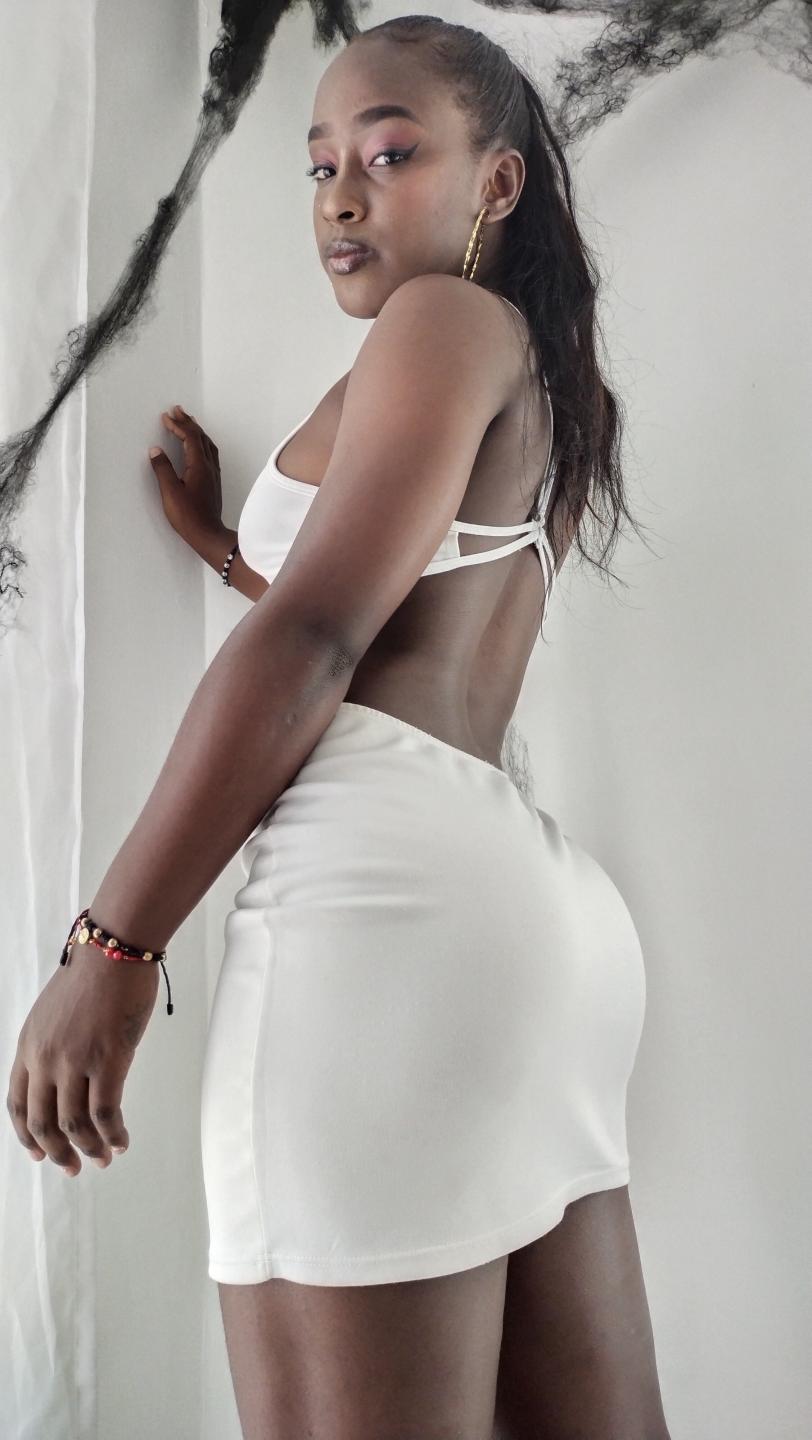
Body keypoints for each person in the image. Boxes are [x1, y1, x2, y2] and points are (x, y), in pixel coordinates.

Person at [8, 15, 670, 1439]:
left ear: (497, 183)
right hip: (526, 924)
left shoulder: (442, 321)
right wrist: (228, 551)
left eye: (389, 154)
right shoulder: (539, 374)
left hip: (379, 913)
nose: (342, 198)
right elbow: (390, 611)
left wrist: (112, 947)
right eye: (320, 167)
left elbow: (318, 641)